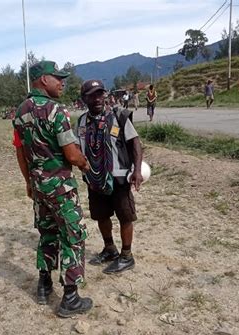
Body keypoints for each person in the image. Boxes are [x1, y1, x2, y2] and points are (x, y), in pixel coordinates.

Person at [13, 60, 93, 318]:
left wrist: (28, 182)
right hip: (60, 186)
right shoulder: (56, 110)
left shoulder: (20, 111)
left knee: (47, 233)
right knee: (73, 234)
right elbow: (71, 154)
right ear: (43, 79)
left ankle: (44, 285)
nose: (63, 82)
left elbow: (21, 152)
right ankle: (70, 297)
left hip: (39, 186)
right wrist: (84, 163)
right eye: (57, 77)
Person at [74, 79, 143, 275]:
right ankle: (110, 249)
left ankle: (127, 256)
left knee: (125, 216)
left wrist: (137, 170)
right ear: (84, 99)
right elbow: (77, 148)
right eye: (92, 95)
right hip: (94, 179)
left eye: (100, 94)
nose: (97, 98)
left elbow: (136, 143)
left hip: (119, 178)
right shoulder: (81, 122)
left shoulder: (119, 116)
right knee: (101, 216)